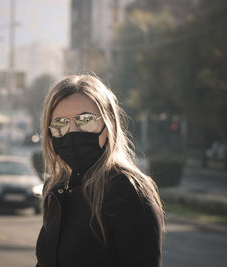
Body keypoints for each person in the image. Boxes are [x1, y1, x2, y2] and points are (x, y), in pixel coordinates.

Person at [35, 74, 164, 267]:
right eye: (60, 124)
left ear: (108, 125)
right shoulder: (56, 189)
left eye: (85, 120)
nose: (72, 132)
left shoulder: (128, 192)